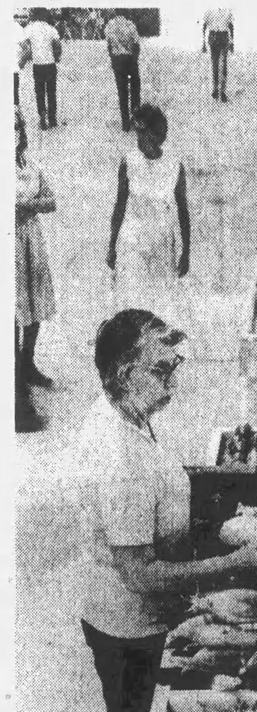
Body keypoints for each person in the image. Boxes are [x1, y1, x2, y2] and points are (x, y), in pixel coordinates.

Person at [76, 310, 257, 712]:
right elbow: (139, 575)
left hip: (128, 610)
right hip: (127, 623)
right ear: (123, 373)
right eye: (160, 371)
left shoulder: (126, 413)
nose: (172, 383)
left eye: (173, 368)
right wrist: (233, 562)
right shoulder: (118, 458)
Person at [107, 104, 190, 322]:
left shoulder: (174, 166)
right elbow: (119, 205)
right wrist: (112, 245)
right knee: (132, 304)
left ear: (154, 136)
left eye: (140, 134)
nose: (137, 140)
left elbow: (183, 210)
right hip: (132, 243)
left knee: (160, 306)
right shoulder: (128, 162)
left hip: (162, 244)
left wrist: (186, 251)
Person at [15, 107, 57, 433]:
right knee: (15, 310)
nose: (13, 134)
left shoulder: (28, 164)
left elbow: (50, 200)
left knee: (36, 305)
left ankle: (27, 362)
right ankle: (15, 378)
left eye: (16, 127)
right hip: (10, 241)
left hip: (31, 237)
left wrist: (29, 205)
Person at [24, 8, 62, 130]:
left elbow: (24, 43)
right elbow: (58, 45)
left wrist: (29, 55)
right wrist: (57, 57)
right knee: (51, 92)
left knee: (39, 93)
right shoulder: (51, 28)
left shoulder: (30, 28)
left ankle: (42, 116)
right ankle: (52, 119)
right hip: (50, 64)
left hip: (37, 64)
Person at [104, 10, 141, 131]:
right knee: (135, 90)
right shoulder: (130, 24)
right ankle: (135, 119)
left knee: (122, 92)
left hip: (118, 61)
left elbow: (109, 45)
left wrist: (113, 60)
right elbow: (136, 44)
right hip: (130, 59)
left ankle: (125, 124)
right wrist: (134, 60)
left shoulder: (110, 25)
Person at [202, 9, 235, 102]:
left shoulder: (227, 9)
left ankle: (222, 91)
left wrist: (232, 42)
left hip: (223, 36)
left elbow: (231, 26)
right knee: (215, 65)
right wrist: (203, 43)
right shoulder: (209, 9)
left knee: (222, 65)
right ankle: (216, 89)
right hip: (214, 36)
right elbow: (204, 25)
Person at [14, 14, 31, 106]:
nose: (21, 19)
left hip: (12, 67)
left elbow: (27, 49)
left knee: (14, 92)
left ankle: (16, 109)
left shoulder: (17, 29)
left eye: (23, 17)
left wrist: (21, 63)